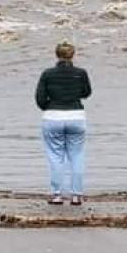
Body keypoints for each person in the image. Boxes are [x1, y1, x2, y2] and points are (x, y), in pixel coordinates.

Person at [35, 41, 92, 206]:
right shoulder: (81, 73)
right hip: (76, 115)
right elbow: (86, 92)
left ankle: (57, 194)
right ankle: (76, 195)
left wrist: (49, 108)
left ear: (56, 55)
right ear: (72, 55)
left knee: (55, 157)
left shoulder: (47, 73)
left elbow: (39, 97)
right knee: (77, 156)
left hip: (53, 116)